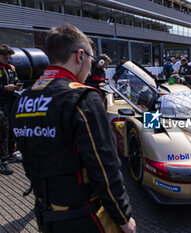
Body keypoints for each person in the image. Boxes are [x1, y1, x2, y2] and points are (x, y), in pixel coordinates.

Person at [11, 24, 136, 233]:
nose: (90, 66)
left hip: (46, 215)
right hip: (84, 218)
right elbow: (105, 166)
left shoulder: (23, 99)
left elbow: (28, 160)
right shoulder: (83, 97)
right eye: (91, 59)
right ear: (80, 56)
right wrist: (123, 216)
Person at [0, 44, 23, 175]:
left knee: (11, 128)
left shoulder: (11, 68)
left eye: (9, 57)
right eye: (5, 57)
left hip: (10, 102)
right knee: (3, 130)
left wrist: (17, 86)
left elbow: (16, 80)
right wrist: (4, 88)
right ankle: (3, 161)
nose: (7, 59)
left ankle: (10, 154)